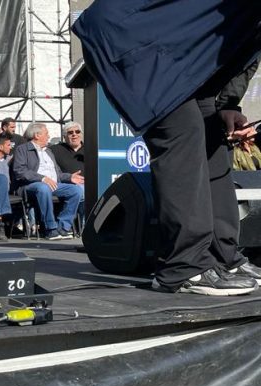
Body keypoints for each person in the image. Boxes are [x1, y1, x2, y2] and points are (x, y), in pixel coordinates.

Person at [74, 0, 261, 296]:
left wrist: (226, 105)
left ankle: (223, 259)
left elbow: (244, 44)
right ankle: (185, 268)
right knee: (180, 135)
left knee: (211, 136)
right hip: (135, 37)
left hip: (181, 55)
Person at [11, 123, 83, 240]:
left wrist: (70, 177)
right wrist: (42, 178)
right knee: (43, 188)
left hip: (53, 184)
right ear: (37, 135)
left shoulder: (48, 151)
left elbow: (58, 174)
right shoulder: (23, 149)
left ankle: (63, 227)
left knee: (76, 190)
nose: (49, 136)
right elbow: (20, 171)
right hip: (30, 185)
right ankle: (50, 228)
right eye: (46, 134)